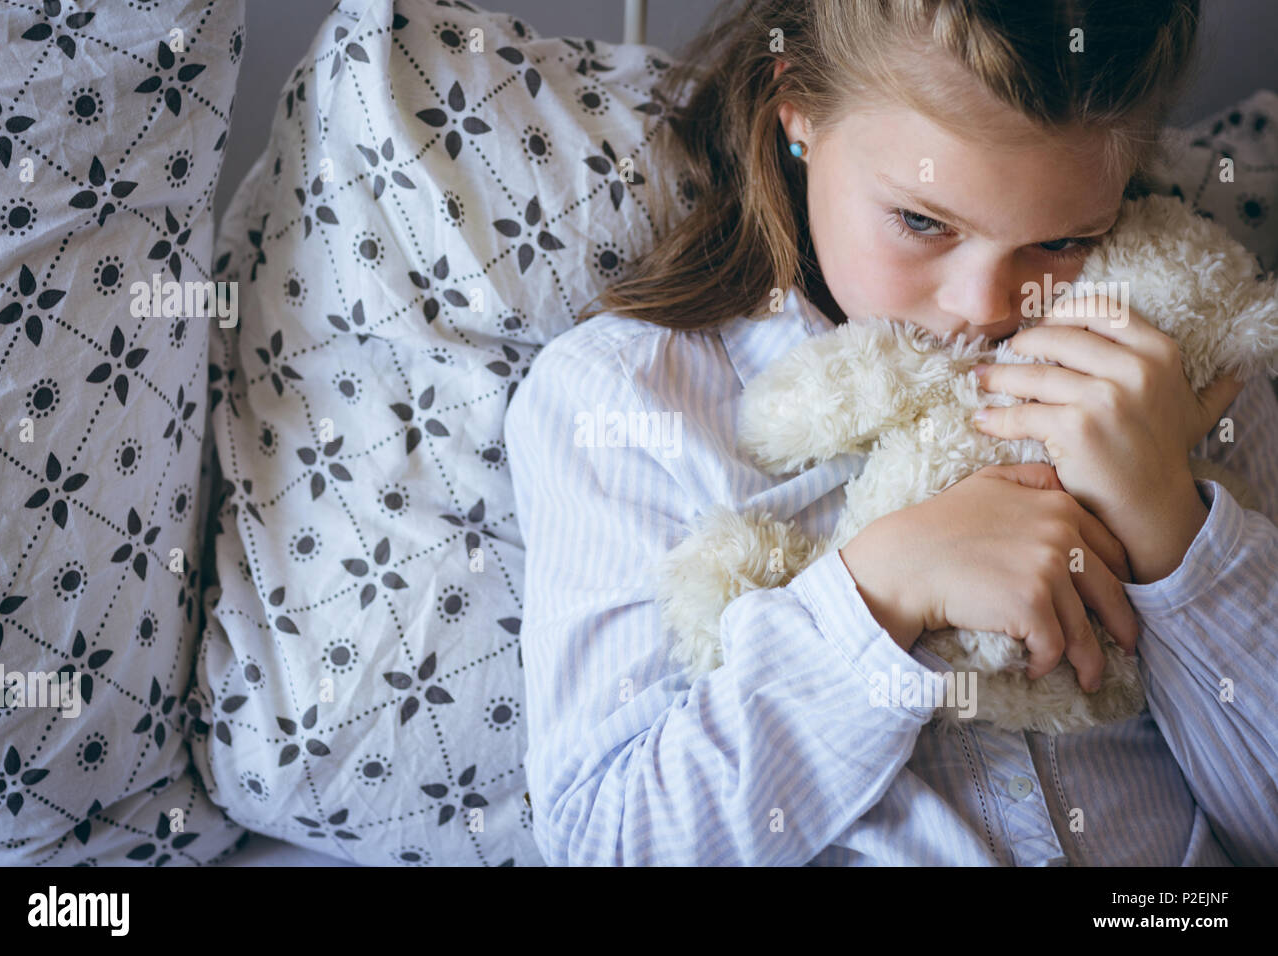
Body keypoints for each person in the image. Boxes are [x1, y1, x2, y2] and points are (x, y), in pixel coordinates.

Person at [503, 0, 1278, 865]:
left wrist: (1172, 528)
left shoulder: (1184, 361)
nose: (985, 307)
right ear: (798, 116)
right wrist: (881, 592)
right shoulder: (627, 402)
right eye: (922, 221)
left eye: (1062, 239)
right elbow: (615, 843)